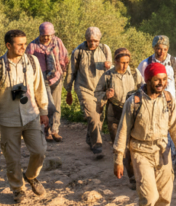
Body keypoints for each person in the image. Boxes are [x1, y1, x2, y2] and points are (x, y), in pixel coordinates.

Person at [113, 61, 176, 206]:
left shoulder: (168, 100)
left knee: (165, 193)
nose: (161, 83)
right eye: (157, 80)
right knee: (149, 195)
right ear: (148, 80)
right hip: (140, 151)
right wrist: (118, 159)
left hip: (163, 150)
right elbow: (123, 131)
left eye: (164, 79)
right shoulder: (134, 102)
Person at [0, 29, 49, 204]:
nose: (24, 47)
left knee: (40, 151)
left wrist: (44, 111)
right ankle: (18, 189)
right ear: (8, 45)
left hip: (31, 116)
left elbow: (39, 87)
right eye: (19, 44)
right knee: (12, 159)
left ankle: (31, 176)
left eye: (25, 43)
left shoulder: (32, 61)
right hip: (8, 120)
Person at [138, 35, 176, 171]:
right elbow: (139, 86)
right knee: (157, 134)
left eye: (164, 49)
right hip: (152, 105)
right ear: (154, 48)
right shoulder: (145, 64)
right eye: (158, 48)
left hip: (170, 105)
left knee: (174, 133)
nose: (161, 52)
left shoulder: (174, 62)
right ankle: (158, 163)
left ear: (168, 48)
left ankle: (173, 163)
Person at [96, 47, 142, 189]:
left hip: (131, 114)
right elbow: (96, 93)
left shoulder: (134, 73)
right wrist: (105, 96)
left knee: (134, 145)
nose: (124, 65)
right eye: (122, 62)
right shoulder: (108, 76)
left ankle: (138, 174)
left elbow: (143, 90)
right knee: (122, 147)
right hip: (114, 115)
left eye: (127, 62)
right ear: (115, 61)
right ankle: (133, 177)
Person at [66, 26, 113, 159]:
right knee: (92, 116)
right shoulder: (78, 51)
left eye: (95, 41)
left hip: (100, 88)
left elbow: (111, 68)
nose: (93, 43)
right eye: (90, 40)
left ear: (99, 40)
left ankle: (89, 138)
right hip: (84, 87)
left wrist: (109, 66)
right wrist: (68, 91)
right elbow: (71, 71)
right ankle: (97, 146)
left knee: (99, 117)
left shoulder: (105, 49)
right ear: (86, 39)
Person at [26, 22, 69, 142]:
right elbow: (27, 61)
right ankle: (46, 130)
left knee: (56, 105)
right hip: (41, 78)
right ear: (40, 34)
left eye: (48, 35)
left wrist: (64, 70)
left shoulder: (57, 42)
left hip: (57, 75)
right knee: (48, 105)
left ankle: (55, 130)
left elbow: (65, 56)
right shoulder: (33, 45)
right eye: (44, 35)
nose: (46, 37)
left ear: (52, 34)